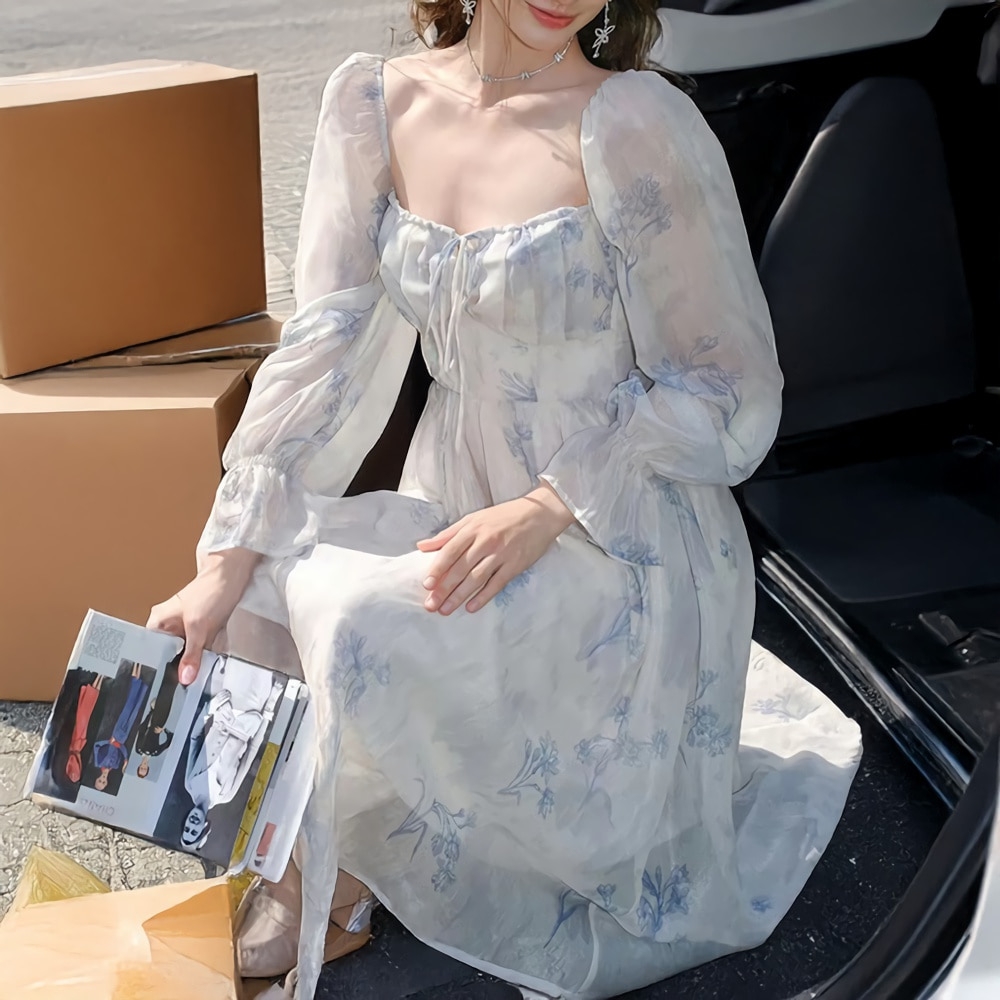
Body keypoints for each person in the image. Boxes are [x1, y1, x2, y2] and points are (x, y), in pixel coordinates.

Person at [148, 2, 863, 997]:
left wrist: (548, 504)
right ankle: (315, 873)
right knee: (259, 583)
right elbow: (326, 345)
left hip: (618, 522)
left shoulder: (633, 122)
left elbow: (726, 386)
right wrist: (220, 559)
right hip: (454, 491)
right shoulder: (373, 102)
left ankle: (341, 877)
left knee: (354, 620)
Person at [92, 663, 148, 792]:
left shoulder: (99, 762)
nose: (102, 779)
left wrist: (109, 742)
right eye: (103, 782)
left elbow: (97, 745)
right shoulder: (116, 766)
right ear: (107, 782)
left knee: (129, 705)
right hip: (124, 736)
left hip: (116, 733)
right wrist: (126, 759)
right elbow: (121, 749)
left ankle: (136, 670)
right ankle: (140, 682)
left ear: (97, 778)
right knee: (135, 709)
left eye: (100, 780)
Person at [133, 652, 182, 776]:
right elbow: (169, 741)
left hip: (153, 716)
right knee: (169, 692)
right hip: (161, 720)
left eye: (141, 768)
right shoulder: (156, 752)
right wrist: (163, 730)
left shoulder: (138, 749)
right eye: (145, 770)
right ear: (147, 768)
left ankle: (175, 663)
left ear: (139, 766)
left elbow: (141, 730)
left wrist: (151, 711)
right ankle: (177, 665)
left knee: (164, 689)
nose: (143, 767)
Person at [65, 673, 104, 783]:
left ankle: (100, 677)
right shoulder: (74, 753)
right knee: (89, 705)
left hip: (79, 732)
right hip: (81, 734)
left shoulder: (73, 752)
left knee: (87, 706)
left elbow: (73, 755)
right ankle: (100, 678)